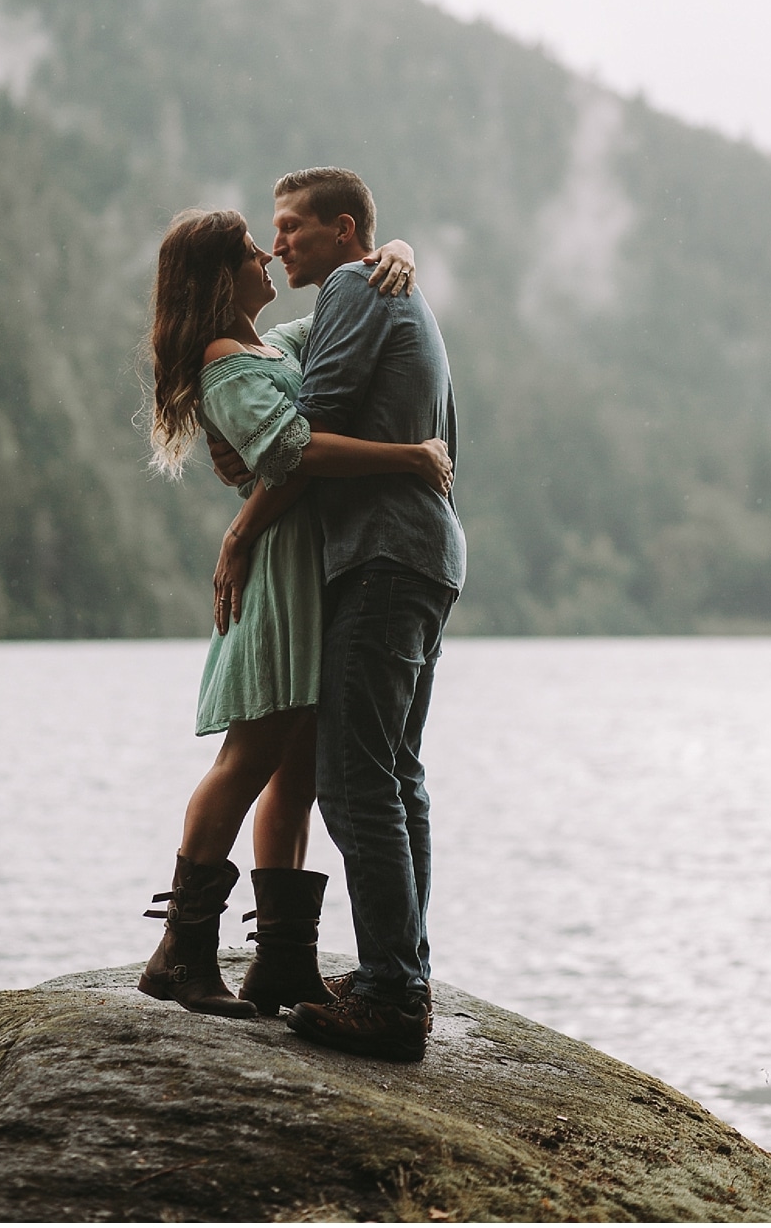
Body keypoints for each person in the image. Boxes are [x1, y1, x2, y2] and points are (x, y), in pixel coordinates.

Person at [138, 209, 451, 1019]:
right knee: (251, 758)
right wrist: (409, 457)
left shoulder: (272, 346)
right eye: (250, 249)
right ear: (219, 276)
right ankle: (183, 952)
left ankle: (281, 959)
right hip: (279, 570)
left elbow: (353, 307)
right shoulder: (223, 363)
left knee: (301, 771)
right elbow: (292, 449)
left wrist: (400, 251)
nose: (266, 254)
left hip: (314, 567)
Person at [211, 167, 464, 1063]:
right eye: (273, 233)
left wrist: (242, 533)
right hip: (426, 554)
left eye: (291, 229)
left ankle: (394, 996)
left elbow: (305, 437)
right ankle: (403, 973)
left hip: (383, 557)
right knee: (395, 773)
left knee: (355, 779)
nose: (279, 245)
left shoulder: (359, 286)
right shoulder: (389, 289)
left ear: (342, 228)